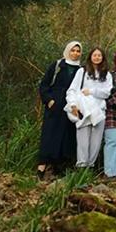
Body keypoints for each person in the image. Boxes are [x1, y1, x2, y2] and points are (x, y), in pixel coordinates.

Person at [37, 41, 83, 179]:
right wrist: (49, 100)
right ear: (67, 50)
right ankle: (42, 166)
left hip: (70, 105)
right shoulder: (57, 66)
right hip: (55, 104)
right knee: (49, 133)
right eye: (73, 50)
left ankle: (59, 166)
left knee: (66, 134)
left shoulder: (80, 69)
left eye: (78, 51)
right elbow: (44, 84)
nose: (75, 53)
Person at [64, 47, 112, 169]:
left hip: (99, 110)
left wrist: (91, 91)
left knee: (96, 142)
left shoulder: (107, 74)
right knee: (82, 141)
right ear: (90, 57)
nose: (97, 57)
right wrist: (73, 104)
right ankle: (81, 167)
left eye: (99, 55)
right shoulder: (82, 71)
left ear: (103, 58)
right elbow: (72, 90)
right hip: (83, 110)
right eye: (94, 55)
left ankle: (90, 167)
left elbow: (107, 92)